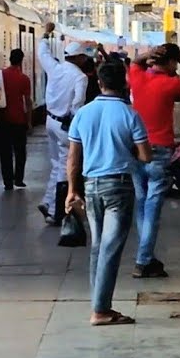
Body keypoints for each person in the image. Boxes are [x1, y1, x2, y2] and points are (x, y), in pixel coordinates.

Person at [65, 61, 153, 326]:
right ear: (124, 84)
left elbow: (73, 159)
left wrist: (72, 190)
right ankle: (101, 310)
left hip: (91, 186)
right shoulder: (130, 114)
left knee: (97, 245)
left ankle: (98, 303)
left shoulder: (83, 113)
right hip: (119, 186)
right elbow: (146, 155)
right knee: (111, 248)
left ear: (100, 83)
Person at [128, 43, 180, 279]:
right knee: (152, 207)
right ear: (172, 62)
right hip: (159, 151)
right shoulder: (172, 83)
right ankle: (143, 260)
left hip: (136, 148)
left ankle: (146, 256)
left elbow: (135, 62)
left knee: (141, 202)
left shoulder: (137, 76)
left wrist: (147, 55)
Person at [37, 33, 90, 225]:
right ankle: (55, 211)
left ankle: (48, 202)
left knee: (56, 163)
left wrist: (44, 35)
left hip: (50, 121)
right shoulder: (80, 77)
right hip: (65, 125)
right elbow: (77, 105)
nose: (85, 60)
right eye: (84, 57)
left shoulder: (55, 67)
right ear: (78, 57)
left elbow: (42, 52)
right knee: (65, 166)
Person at [0, 49, 32, 191]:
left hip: (3, 119)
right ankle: (18, 179)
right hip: (19, 120)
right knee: (20, 151)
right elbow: (27, 101)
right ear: (21, 61)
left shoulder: (1, 75)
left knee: (5, 153)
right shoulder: (24, 78)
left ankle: (8, 182)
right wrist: (29, 120)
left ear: (9, 59)